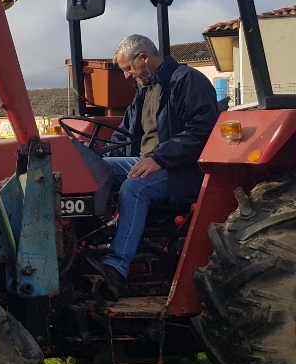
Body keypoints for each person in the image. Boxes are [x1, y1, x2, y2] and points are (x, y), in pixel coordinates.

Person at [93, 34, 219, 300]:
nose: (127, 75)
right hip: (147, 160)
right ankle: (89, 244)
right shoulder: (145, 89)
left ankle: (116, 267)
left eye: (128, 68)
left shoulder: (187, 81)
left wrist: (159, 158)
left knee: (134, 187)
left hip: (182, 169)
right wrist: (94, 155)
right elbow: (125, 134)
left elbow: (201, 132)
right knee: (94, 169)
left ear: (144, 58)